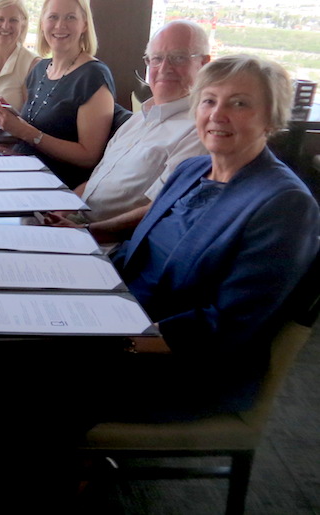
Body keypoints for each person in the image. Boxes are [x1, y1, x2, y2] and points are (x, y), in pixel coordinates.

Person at [110, 54, 320, 417]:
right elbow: (137, 253)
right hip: (122, 318)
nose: (217, 115)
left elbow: (223, 327)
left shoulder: (284, 205)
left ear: (271, 118)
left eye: (239, 103)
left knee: (18, 368)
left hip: (184, 365)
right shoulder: (192, 169)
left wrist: (116, 342)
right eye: (209, 100)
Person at [44, 20, 210, 240]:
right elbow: (97, 182)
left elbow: (160, 209)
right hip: (77, 224)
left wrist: (86, 233)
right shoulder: (138, 119)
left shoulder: (198, 132)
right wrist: (61, 208)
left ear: (204, 64)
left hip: (111, 245)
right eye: (157, 59)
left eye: (179, 57)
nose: (164, 68)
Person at [0, 0, 115, 189]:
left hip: (53, 190)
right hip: (20, 172)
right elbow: (37, 129)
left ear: (84, 25)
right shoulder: (41, 69)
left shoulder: (93, 76)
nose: (60, 25)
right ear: (43, 23)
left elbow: (89, 157)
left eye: (70, 17)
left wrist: (25, 132)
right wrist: (9, 118)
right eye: (53, 17)